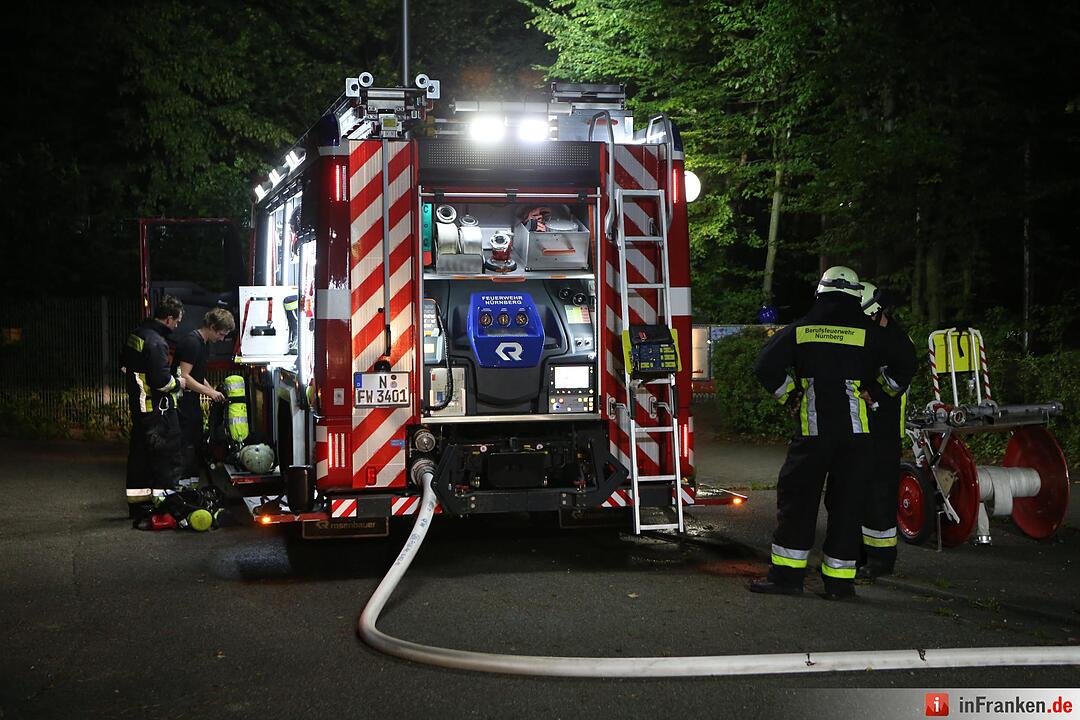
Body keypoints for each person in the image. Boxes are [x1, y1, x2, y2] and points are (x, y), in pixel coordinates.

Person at [750, 266, 879, 600]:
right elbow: (904, 361)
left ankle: (787, 579)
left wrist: (791, 394)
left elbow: (764, 365)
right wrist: (877, 392)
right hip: (856, 438)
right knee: (848, 506)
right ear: (855, 295)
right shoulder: (869, 332)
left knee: (798, 502)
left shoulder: (802, 330)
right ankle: (840, 585)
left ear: (820, 293)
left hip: (813, 435)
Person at [857, 282, 917, 579]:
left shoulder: (896, 341)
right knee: (856, 491)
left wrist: (874, 393)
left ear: (878, 312)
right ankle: (856, 554)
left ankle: (881, 560)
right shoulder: (868, 332)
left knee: (879, 494)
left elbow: (899, 377)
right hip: (860, 424)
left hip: (883, 426)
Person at [122, 295, 186, 518]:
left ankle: (138, 506)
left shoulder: (136, 335)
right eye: (176, 321)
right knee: (165, 458)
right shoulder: (158, 342)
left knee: (140, 457)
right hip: (155, 410)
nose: (177, 326)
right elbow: (161, 382)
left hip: (139, 407)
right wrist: (179, 383)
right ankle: (164, 504)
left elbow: (125, 367)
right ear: (168, 319)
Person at [172, 307, 234, 481]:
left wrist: (212, 391)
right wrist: (210, 393)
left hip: (190, 400)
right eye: (221, 334)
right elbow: (184, 376)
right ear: (212, 326)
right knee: (187, 444)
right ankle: (183, 485)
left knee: (196, 440)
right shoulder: (192, 343)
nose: (222, 339)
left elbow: (197, 374)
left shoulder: (202, 343)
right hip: (182, 402)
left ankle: (191, 482)